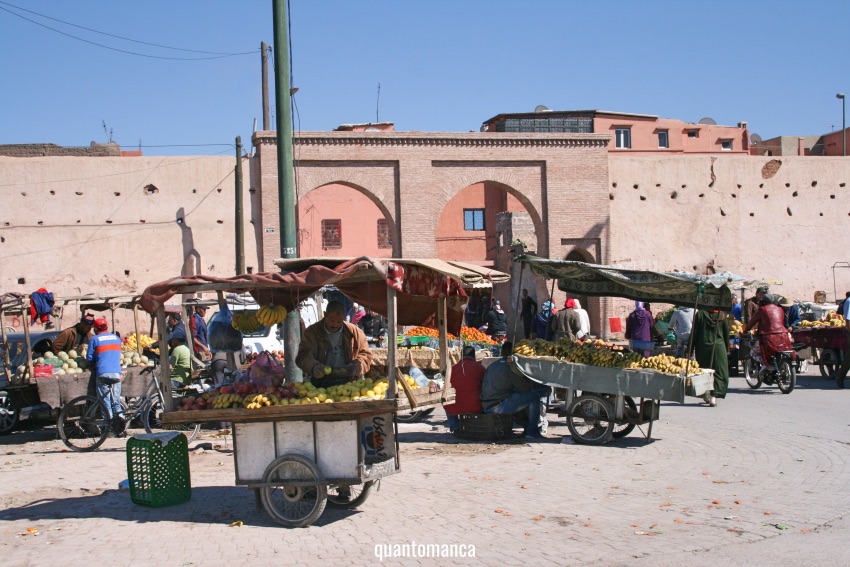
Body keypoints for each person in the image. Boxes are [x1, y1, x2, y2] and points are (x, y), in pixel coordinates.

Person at [479, 342, 550, 439]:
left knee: (521, 398)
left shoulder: (493, 365)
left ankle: (527, 427)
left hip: (487, 405)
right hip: (497, 406)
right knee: (534, 397)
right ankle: (532, 431)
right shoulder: (510, 367)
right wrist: (542, 390)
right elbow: (524, 389)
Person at [296, 300, 373, 387]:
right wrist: (314, 367)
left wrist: (357, 366)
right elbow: (303, 356)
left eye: (339, 321)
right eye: (332, 321)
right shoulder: (312, 332)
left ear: (343, 317)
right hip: (320, 383)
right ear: (325, 315)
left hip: (349, 383)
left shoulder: (355, 332)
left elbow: (366, 355)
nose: (335, 324)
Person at [85, 318, 125, 436]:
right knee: (116, 402)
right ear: (106, 327)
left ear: (96, 328)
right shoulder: (116, 338)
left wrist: (92, 365)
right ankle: (121, 428)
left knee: (105, 402)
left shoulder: (94, 339)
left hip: (103, 373)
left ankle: (109, 429)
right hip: (117, 373)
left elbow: (90, 359)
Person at [744, 295, 795, 379]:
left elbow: (752, 321)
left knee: (753, 352)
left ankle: (766, 364)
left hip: (769, 337)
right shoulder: (780, 309)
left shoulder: (762, 309)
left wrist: (746, 330)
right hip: (783, 335)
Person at [443, 346, 486, 433]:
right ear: (474, 356)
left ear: (461, 356)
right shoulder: (480, 368)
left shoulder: (452, 369)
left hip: (454, 407)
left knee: (446, 402)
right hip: (475, 406)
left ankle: (455, 428)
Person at [693, 308, 731, 407]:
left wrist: (690, 347)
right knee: (719, 372)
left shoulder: (700, 314)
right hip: (718, 347)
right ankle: (713, 396)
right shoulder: (722, 314)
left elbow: (694, 332)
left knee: (704, 371)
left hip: (702, 346)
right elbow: (726, 333)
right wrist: (727, 348)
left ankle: (706, 394)